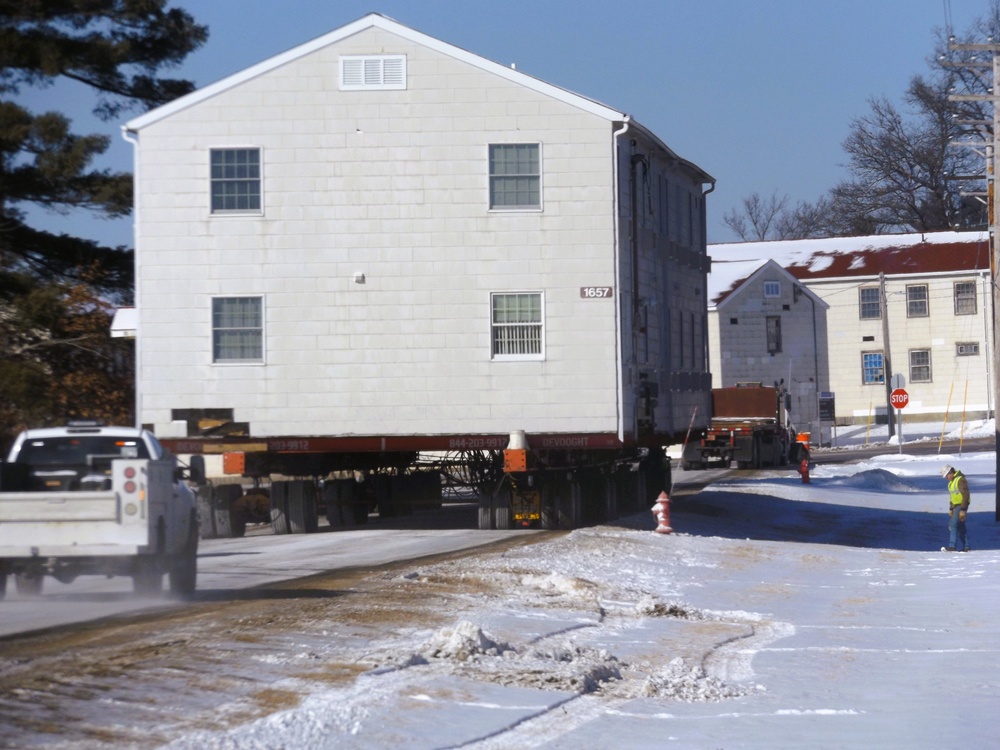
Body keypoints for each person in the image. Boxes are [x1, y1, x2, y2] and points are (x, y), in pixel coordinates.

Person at [941, 465, 970, 552]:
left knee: (953, 524)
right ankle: (967, 547)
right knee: (960, 526)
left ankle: (952, 546)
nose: (946, 478)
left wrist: (963, 510)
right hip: (956, 506)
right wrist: (951, 508)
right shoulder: (951, 483)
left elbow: (965, 495)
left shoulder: (960, 480)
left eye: (947, 475)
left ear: (951, 472)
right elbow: (952, 497)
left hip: (961, 505)